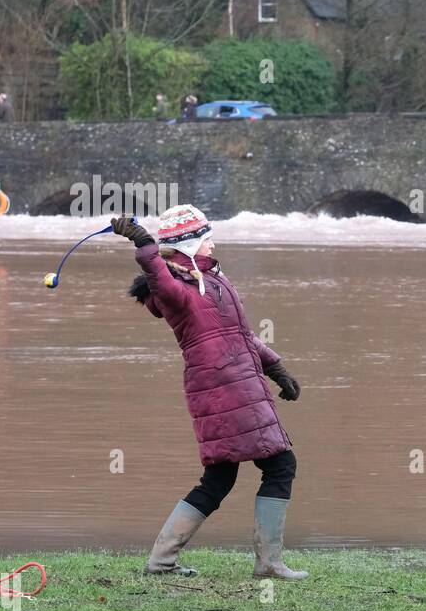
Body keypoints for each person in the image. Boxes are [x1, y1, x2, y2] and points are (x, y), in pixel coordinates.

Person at [110, 206, 308, 581]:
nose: (213, 241)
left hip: (237, 386)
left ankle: (162, 562)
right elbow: (159, 279)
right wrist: (143, 242)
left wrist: (277, 369)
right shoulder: (176, 291)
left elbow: (241, 337)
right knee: (280, 465)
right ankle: (268, 564)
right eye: (205, 236)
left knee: (220, 478)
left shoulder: (213, 280)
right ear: (190, 244)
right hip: (224, 390)